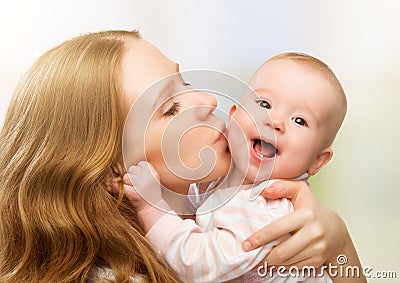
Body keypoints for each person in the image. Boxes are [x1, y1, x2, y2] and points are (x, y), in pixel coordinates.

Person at [0, 29, 363, 282]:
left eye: (185, 81)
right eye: (171, 109)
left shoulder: (229, 198)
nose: (207, 101)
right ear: (114, 169)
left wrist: (341, 248)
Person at [122, 53, 366, 282]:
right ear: (234, 116)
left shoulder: (265, 205)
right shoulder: (224, 181)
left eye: (299, 121)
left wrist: (151, 207)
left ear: (317, 161)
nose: (276, 122)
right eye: (265, 104)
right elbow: (196, 210)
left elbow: (197, 264)